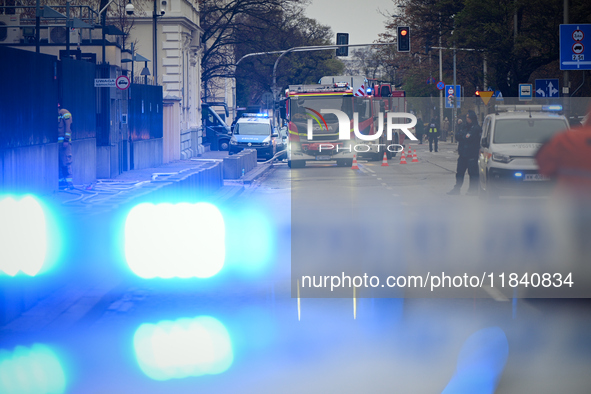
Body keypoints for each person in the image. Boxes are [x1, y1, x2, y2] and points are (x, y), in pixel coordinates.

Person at [447, 110, 481, 195]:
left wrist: (464, 136)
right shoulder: (464, 126)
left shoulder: (476, 128)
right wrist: (463, 136)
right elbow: (458, 136)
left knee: (473, 174)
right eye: (466, 117)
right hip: (463, 154)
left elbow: (469, 138)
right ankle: (457, 189)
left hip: (472, 155)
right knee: (459, 173)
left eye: (468, 117)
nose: (467, 119)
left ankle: (473, 190)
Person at [58, 105, 74, 189]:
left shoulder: (64, 112)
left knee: (66, 162)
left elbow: (69, 126)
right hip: (57, 144)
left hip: (64, 144)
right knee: (59, 163)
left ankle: (69, 183)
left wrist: (66, 140)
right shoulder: (56, 114)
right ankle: (61, 183)